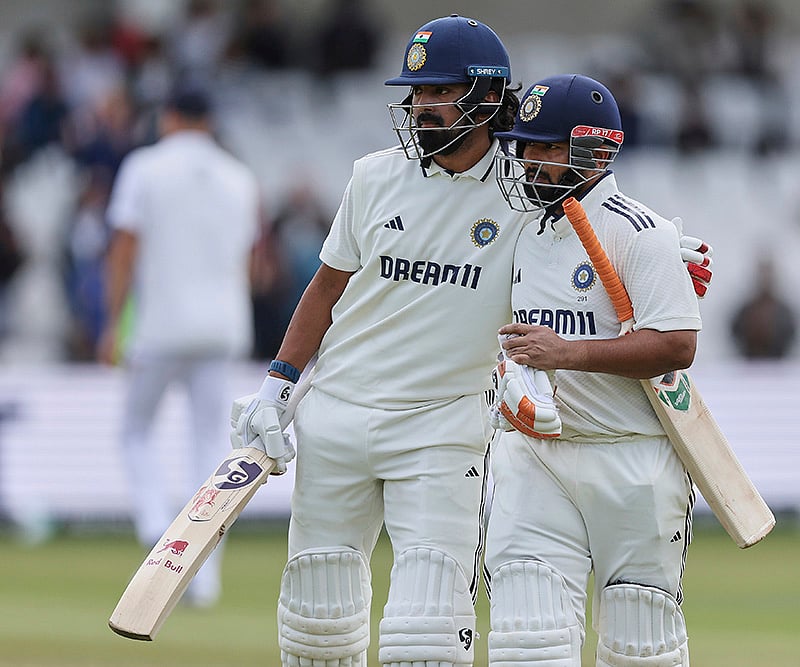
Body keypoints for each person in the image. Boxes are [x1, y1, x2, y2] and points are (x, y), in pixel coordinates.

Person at [229, 16, 714, 667]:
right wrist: (277, 385)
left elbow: (586, 215)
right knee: (317, 620)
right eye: (416, 94)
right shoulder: (374, 176)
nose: (420, 108)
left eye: (438, 93)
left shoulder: (524, 190)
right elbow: (324, 288)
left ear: (488, 98)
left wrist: (652, 250)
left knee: (424, 638)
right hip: (338, 410)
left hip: (442, 426)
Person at [486, 74, 703, 666]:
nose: (529, 162)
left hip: (629, 458)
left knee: (641, 647)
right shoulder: (521, 229)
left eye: (546, 148)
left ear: (592, 149)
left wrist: (568, 354)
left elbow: (677, 346)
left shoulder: (639, 231)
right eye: (525, 147)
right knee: (527, 643)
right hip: (536, 456)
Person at [98, 86, 260, 607]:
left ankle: (154, 530)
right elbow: (254, 263)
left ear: (169, 116)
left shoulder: (144, 167)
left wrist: (110, 323)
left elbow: (123, 250)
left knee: (134, 431)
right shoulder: (239, 176)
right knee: (209, 449)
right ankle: (203, 580)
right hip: (222, 326)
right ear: (209, 121)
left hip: (161, 325)